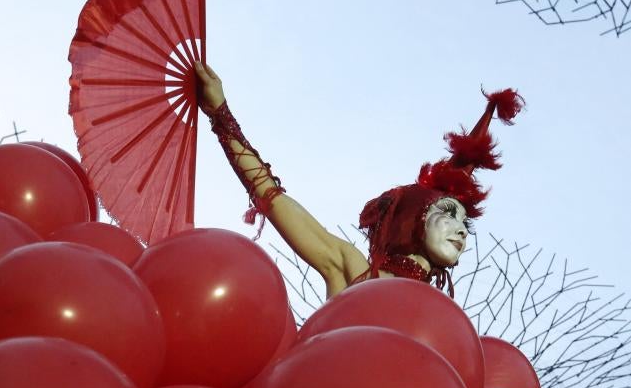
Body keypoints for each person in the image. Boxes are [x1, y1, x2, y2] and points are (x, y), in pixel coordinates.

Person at [194, 60, 523, 299]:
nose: (462, 229)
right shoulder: (354, 272)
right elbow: (270, 195)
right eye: (448, 213)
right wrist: (220, 113)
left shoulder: (448, 320)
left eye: (465, 222)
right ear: (414, 216)